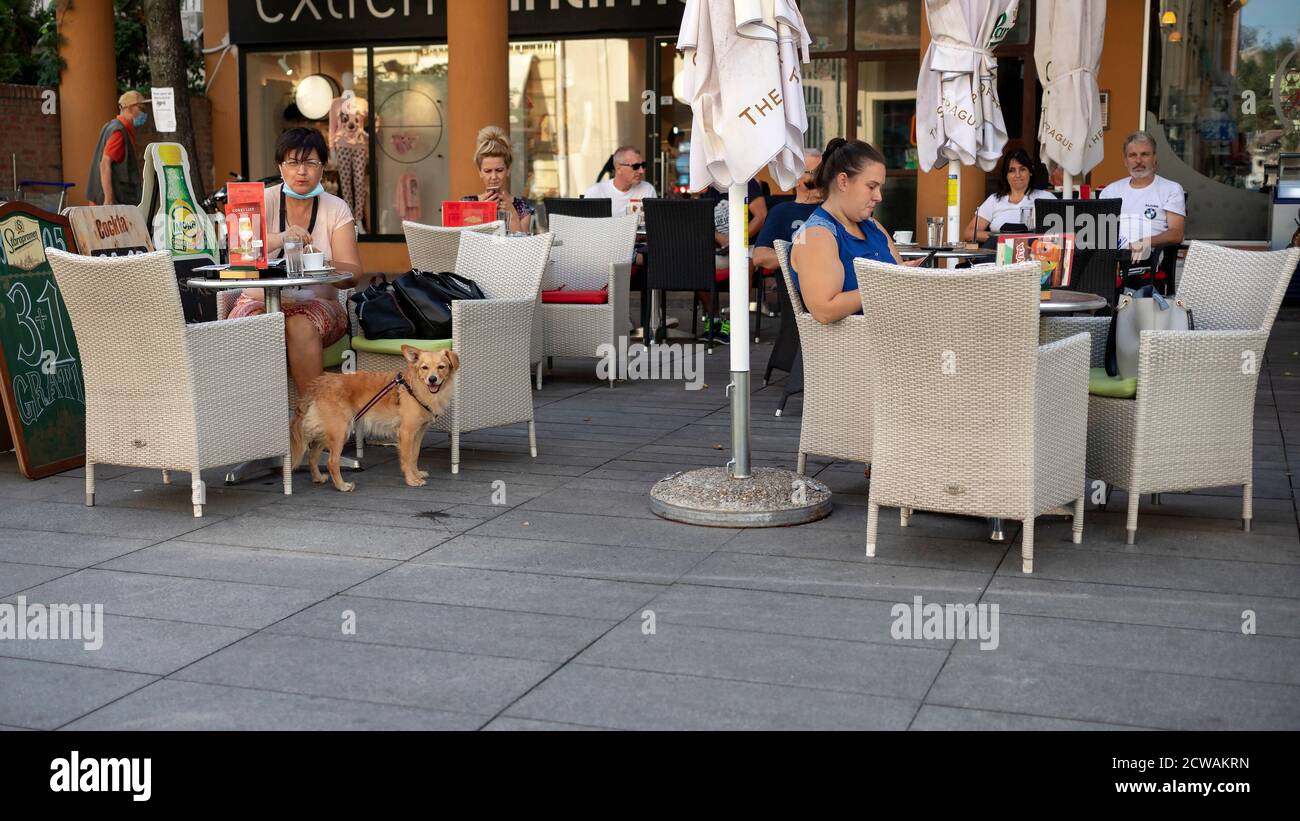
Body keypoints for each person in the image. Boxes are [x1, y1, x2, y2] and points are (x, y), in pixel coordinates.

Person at [228, 127, 363, 395]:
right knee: (246, 328)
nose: (302, 171)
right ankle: (253, 420)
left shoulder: (335, 208)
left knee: (299, 324)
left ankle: (311, 420)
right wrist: (279, 239)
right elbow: (239, 255)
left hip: (318, 304)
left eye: (311, 162)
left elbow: (354, 273)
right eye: (293, 162)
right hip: (258, 300)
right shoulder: (260, 200)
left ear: (322, 168)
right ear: (281, 166)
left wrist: (320, 261)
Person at [789, 138, 921, 325]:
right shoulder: (816, 235)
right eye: (871, 186)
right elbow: (824, 310)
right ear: (843, 182)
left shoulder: (873, 225)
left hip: (898, 336)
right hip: (859, 349)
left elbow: (898, 282)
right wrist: (887, 285)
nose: (879, 197)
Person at [1099, 130, 1186, 260]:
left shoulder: (1171, 189)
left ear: (1154, 158)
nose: (1138, 160)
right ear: (1125, 160)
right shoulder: (1110, 191)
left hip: (1146, 258)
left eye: (1145, 154)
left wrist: (1144, 242)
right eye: (1132, 155)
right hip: (1111, 257)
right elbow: (1100, 231)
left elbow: (1176, 234)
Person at [963, 147, 1054, 244]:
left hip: (1034, 254)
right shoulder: (994, 200)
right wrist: (1002, 238)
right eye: (1012, 170)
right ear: (1006, 175)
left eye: (1022, 169)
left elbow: (1063, 232)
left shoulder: (1046, 198)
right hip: (999, 255)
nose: (1017, 175)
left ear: (1030, 172)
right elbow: (969, 233)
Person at [753, 148, 824, 271]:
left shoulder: (835, 209)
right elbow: (760, 256)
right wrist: (799, 258)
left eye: (824, 173)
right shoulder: (782, 212)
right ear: (795, 179)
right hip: (799, 284)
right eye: (814, 173)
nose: (821, 178)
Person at [463, 125, 534, 234]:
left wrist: (511, 212)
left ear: (508, 169)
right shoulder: (466, 203)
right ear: (480, 172)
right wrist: (479, 211)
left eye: (499, 170)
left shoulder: (521, 207)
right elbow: (461, 243)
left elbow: (524, 247)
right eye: (487, 171)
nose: (493, 177)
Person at [87, 90, 150, 206]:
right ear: (130, 108)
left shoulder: (111, 126)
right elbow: (105, 164)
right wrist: (108, 199)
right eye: (141, 109)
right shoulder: (119, 132)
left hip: (106, 200)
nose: (144, 113)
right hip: (114, 203)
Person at [583, 146, 657, 216]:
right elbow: (586, 225)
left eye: (643, 165)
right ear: (618, 169)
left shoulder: (647, 189)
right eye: (636, 166)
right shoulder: (596, 192)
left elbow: (653, 223)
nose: (641, 171)